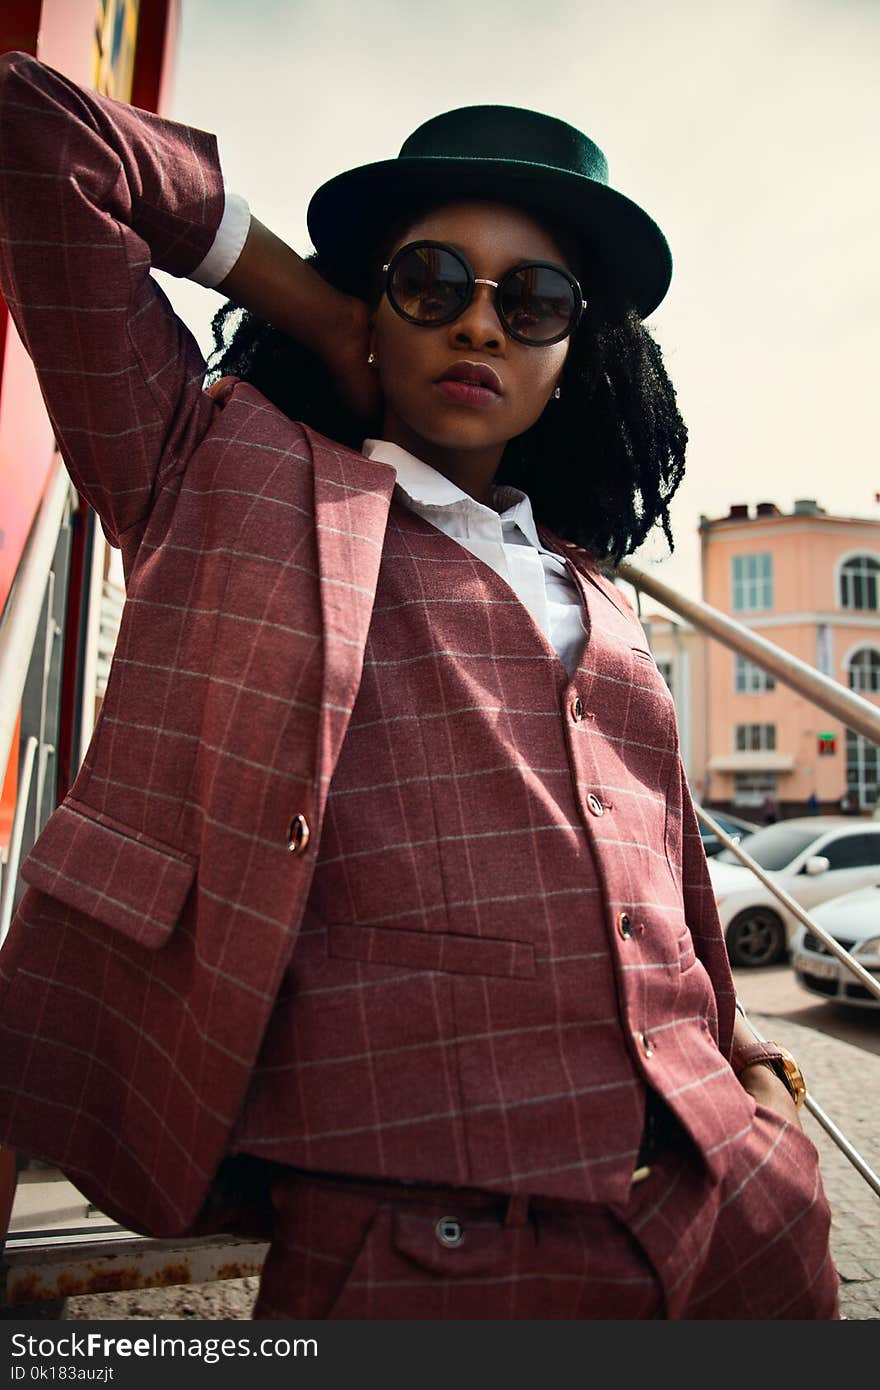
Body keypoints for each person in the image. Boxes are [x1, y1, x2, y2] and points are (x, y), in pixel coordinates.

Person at [0, 51, 838, 1320]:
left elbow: (661, 872)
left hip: (738, 1214)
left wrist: (748, 1070)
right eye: (431, 280)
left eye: (536, 299)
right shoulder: (215, 469)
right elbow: (34, 125)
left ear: (576, 352)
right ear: (374, 302)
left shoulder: (592, 588)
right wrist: (316, 308)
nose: (480, 321)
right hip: (418, 1247)